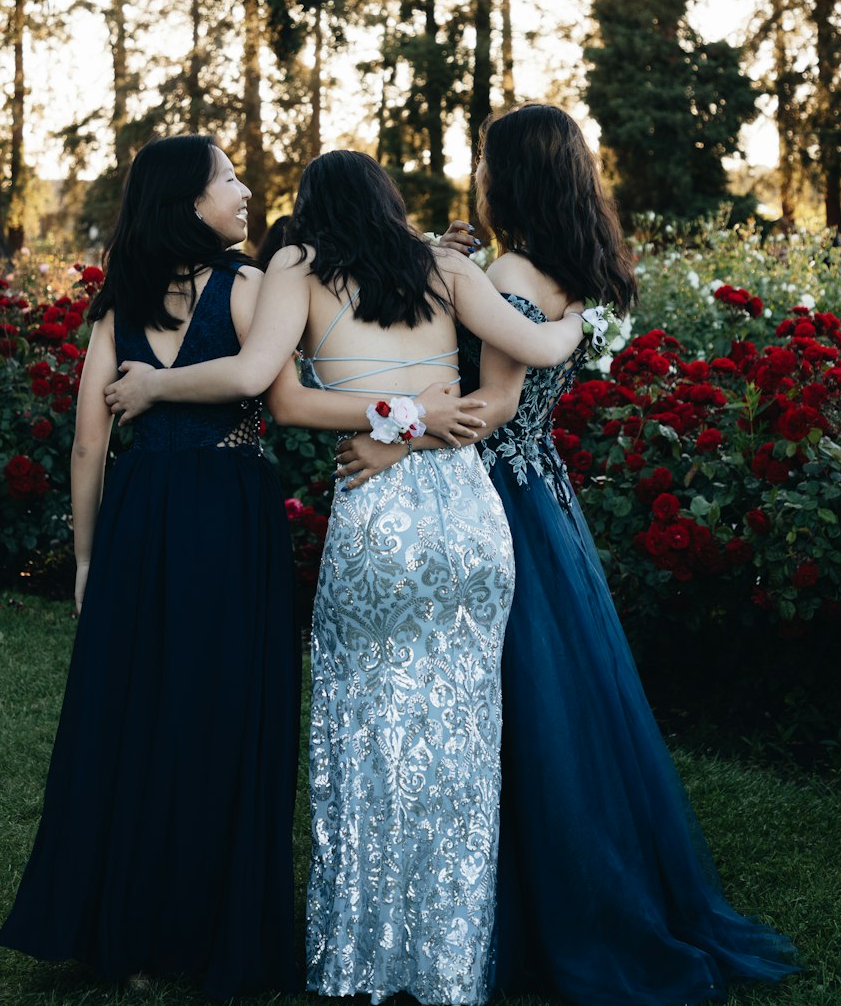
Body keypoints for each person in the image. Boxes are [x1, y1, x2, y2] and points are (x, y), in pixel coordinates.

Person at [337, 104, 800, 1006]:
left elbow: (497, 408)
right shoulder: (559, 268)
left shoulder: (509, 270)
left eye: (482, 158)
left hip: (500, 498)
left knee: (516, 711)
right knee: (555, 707)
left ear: (510, 174)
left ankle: (527, 911)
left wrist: (390, 439)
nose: (474, 171)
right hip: (546, 494)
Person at [102, 149, 587, 1006]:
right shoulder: (445, 265)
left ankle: (362, 958)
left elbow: (280, 400)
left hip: (381, 515)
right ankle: (449, 967)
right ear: (389, 202)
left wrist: (391, 422)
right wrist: (577, 312)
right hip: (472, 522)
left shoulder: (297, 265)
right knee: (464, 748)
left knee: (363, 735)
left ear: (311, 210)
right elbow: (540, 346)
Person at [0, 136, 301, 1000]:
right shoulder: (246, 290)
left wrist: (88, 559)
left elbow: (90, 444)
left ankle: (123, 934)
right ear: (190, 200)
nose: (244, 191)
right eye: (230, 178)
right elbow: (264, 380)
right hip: (232, 514)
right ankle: (210, 931)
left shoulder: (117, 306)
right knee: (224, 712)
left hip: (141, 518)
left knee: (135, 716)